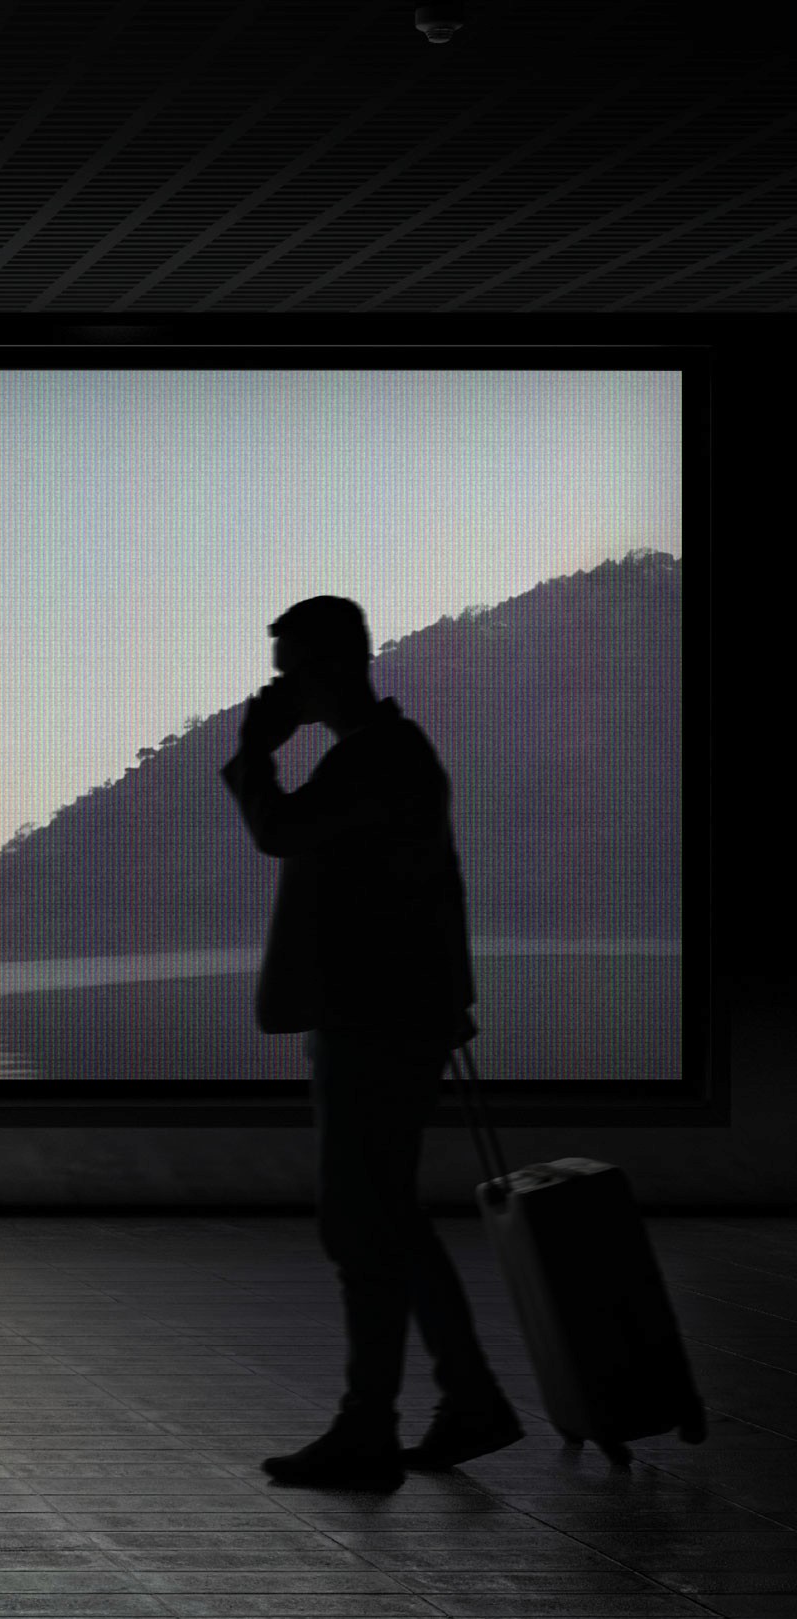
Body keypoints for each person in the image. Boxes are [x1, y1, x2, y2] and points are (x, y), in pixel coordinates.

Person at [223, 596, 522, 1490]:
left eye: (288, 668)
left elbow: (280, 833)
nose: (279, 685)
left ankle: (374, 1425)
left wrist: (252, 754)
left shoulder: (375, 760)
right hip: (391, 1015)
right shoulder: (387, 755)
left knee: (361, 1223)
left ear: (324, 667)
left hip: (376, 1020)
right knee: (385, 1217)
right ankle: (462, 1399)